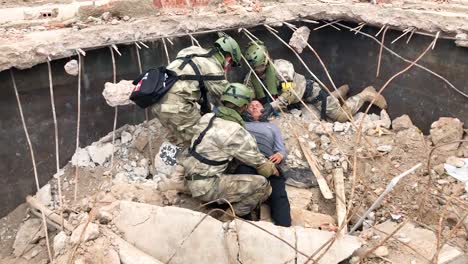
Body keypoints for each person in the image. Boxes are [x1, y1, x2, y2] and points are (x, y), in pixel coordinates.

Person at [182, 83, 280, 218]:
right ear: (245, 107)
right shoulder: (237, 132)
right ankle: (227, 217)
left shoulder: (207, 118)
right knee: (263, 186)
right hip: (205, 187)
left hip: (188, 177)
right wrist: (272, 168)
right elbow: (263, 167)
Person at [244, 41, 388, 122]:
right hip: (292, 102)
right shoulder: (251, 78)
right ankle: (341, 92)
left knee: (340, 117)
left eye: (261, 67)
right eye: (255, 68)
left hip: (308, 92)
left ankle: (365, 94)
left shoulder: (282, 68)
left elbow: (290, 91)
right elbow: (247, 95)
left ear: (267, 60)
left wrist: (272, 105)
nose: (258, 71)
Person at [151, 33, 242, 146]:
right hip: (175, 108)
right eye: (231, 64)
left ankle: (178, 144)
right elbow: (230, 96)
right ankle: (187, 156)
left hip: (156, 100)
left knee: (183, 133)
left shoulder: (192, 50)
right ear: (228, 57)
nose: (228, 67)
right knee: (204, 138)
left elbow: (189, 80)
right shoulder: (214, 69)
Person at [237, 99, 291, 227]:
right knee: (245, 186)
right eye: (251, 106)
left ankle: (284, 227)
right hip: (247, 161)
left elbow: (280, 148)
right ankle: (246, 225)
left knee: (278, 193)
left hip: (268, 161)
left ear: (264, 110)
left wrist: (279, 154)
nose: (254, 107)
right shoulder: (241, 124)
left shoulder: (272, 127)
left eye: (257, 105)